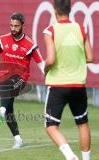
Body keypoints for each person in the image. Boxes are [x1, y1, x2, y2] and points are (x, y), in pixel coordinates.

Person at [0, 12, 45, 149]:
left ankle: (1, 111)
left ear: (22, 26)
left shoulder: (30, 44)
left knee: (10, 87)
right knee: (9, 109)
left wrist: (49, 76)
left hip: (21, 79)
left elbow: (41, 64)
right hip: (5, 78)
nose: (13, 28)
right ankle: (18, 139)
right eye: (11, 25)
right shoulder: (3, 40)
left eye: (16, 26)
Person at [43, 0, 93, 160]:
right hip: (78, 85)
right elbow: (90, 57)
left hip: (58, 85)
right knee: (82, 123)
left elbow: (50, 60)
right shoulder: (81, 28)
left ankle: (70, 156)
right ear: (70, 10)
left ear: (55, 10)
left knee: (51, 126)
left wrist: (45, 69)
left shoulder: (50, 31)